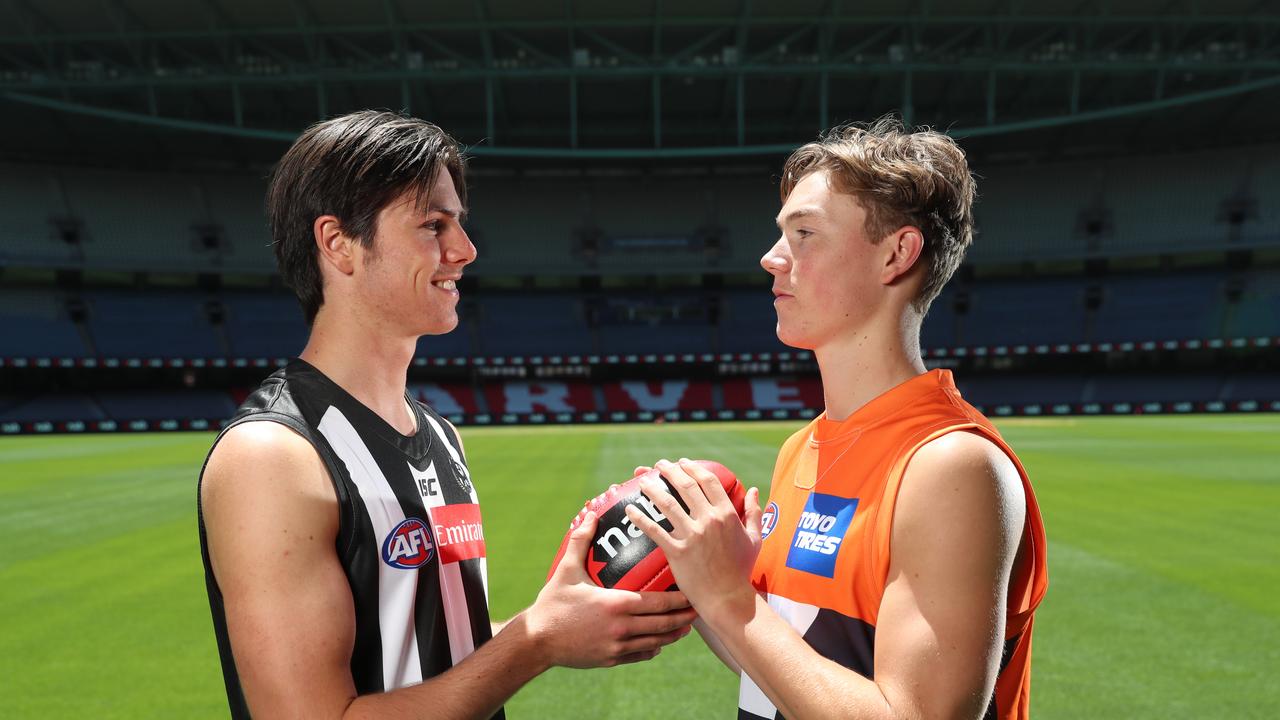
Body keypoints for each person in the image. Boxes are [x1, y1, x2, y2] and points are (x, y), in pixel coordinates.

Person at [197, 110, 695, 719]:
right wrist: (536, 640)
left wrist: (572, 615)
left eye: (458, 223)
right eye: (433, 225)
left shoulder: (437, 433)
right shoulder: (274, 456)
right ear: (338, 243)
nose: (464, 250)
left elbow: (430, 641)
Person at [626, 118, 1048, 719]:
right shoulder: (803, 447)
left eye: (805, 234)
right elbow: (792, 662)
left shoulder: (950, 464)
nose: (772, 258)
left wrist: (730, 601)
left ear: (896, 254)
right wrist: (700, 580)